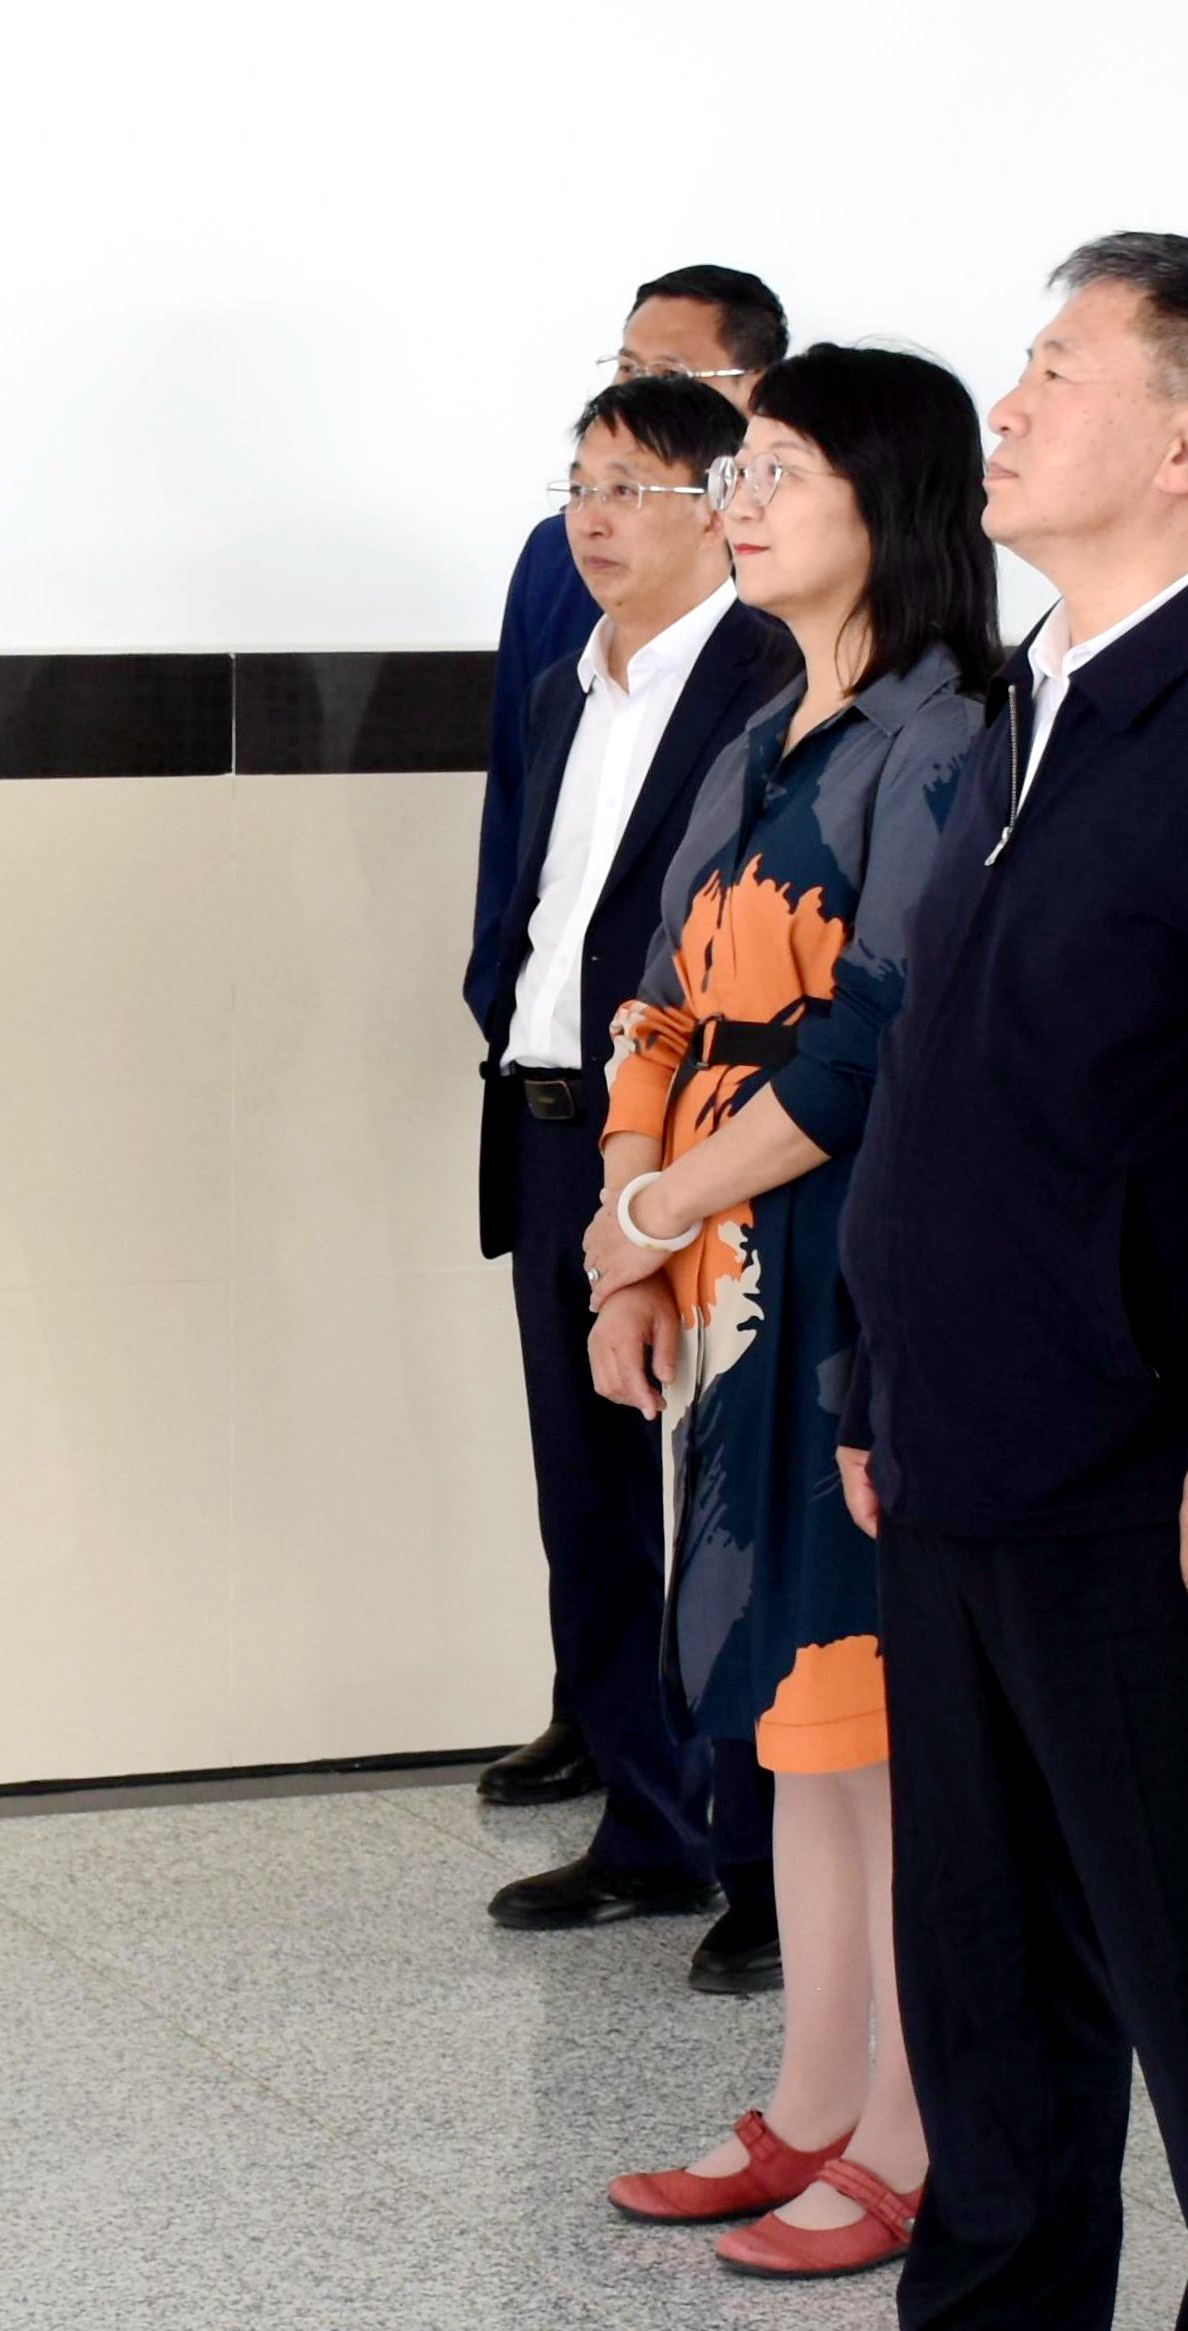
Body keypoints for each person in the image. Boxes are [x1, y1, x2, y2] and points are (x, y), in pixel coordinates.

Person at [704, 237, 1188, 2331]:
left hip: (1148, 1467)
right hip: (966, 1433)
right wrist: (879, 1375)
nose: (1006, 405)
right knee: (990, 1951)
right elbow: (950, 1074)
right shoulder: (1047, 694)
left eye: (1056, 368)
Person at [576, 347, 991, 2275]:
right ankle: (815, 2098)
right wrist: (629, 1238)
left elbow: (867, 1050)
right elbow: (658, 1000)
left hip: (845, 1280)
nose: (736, 505)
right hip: (725, 1267)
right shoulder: (760, 731)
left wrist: (659, 1205)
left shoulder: (945, 731)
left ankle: (906, 2136)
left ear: (888, 501)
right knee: (793, 1721)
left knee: (876, 1723)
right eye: (733, 474)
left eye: (779, 472)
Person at [464, 375, 796, 1989]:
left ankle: (767, 1862)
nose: (590, 519)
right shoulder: (564, 686)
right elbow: (537, 904)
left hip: (703, 1137)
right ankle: (646, 1825)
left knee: (726, 1501)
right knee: (586, 1493)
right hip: (551, 1128)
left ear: (716, 507)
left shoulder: (767, 681)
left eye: (629, 489)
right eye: (579, 485)